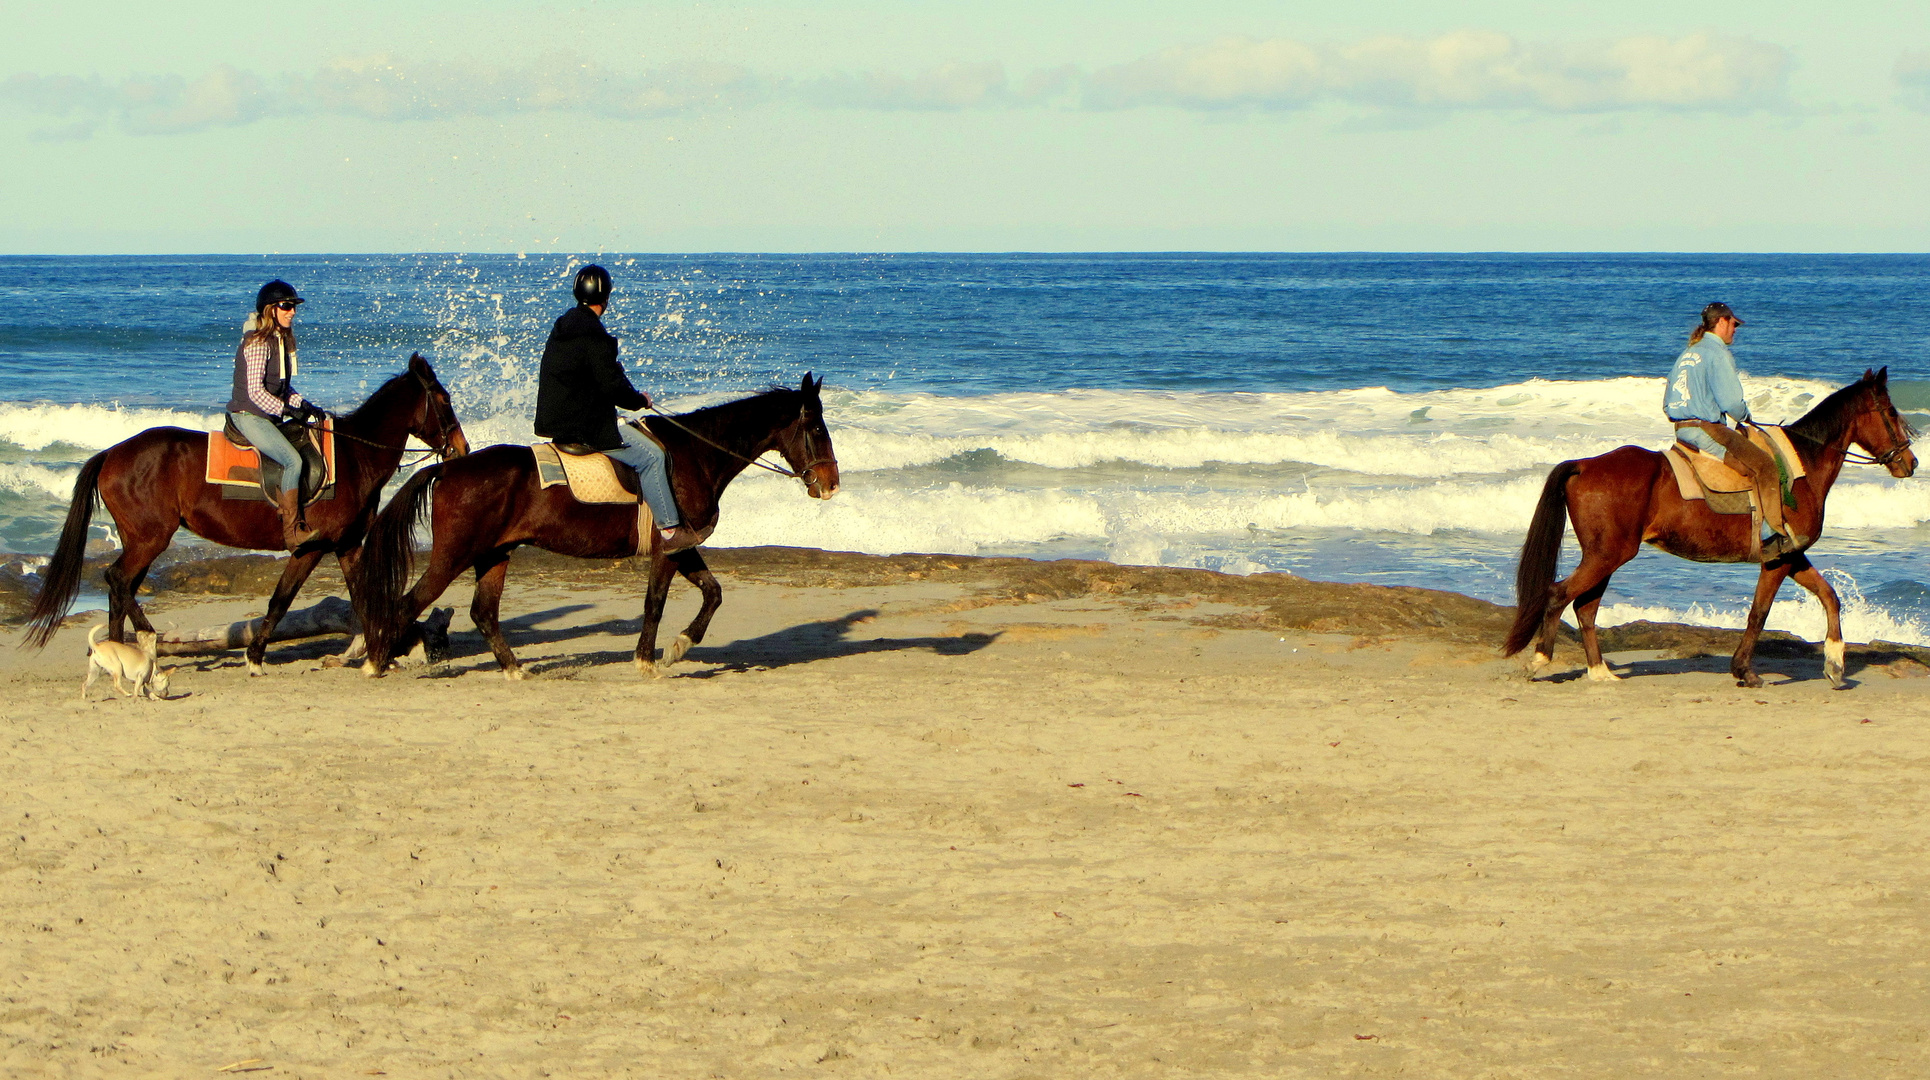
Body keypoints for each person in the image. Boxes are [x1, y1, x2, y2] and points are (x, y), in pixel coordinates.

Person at [533, 264, 698, 549]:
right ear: (605, 299)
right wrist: (640, 401)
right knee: (653, 456)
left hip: (556, 423)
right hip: (585, 426)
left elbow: (584, 377)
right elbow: (612, 387)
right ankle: (670, 531)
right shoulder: (594, 335)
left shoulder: (563, 326)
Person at [1664, 301, 1803, 557]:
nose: (1735, 330)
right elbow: (1731, 403)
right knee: (1764, 466)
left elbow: (1667, 402)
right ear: (1721, 322)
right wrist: (1745, 416)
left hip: (1682, 429)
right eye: (1733, 324)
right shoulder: (1717, 352)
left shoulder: (1688, 352)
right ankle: (1771, 536)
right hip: (1706, 430)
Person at [226, 279, 326, 548]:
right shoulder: (258, 343)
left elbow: (282, 387)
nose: (292, 311)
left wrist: (304, 405)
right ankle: (291, 532)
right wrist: (288, 410)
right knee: (293, 461)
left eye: (293, 306)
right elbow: (256, 392)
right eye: (286, 306)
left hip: (266, 415)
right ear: (270, 310)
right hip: (248, 416)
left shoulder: (281, 341)